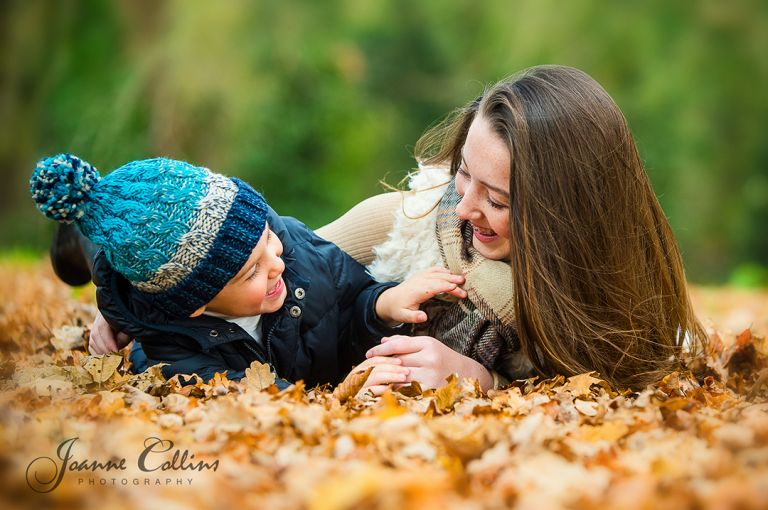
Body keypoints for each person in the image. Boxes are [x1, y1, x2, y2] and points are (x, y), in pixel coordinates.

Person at [80, 64, 707, 392]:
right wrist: (147, 297)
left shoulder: (617, 291)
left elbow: (611, 376)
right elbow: (265, 252)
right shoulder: (412, 221)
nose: (464, 209)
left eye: (498, 199)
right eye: (464, 175)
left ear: (567, 212)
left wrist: (478, 377)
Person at [30, 154, 467, 387]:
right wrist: (344, 395)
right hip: (159, 288)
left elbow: (348, 303)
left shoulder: (293, 248)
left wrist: (383, 304)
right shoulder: (172, 353)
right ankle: (76, 237)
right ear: (199, 304)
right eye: (250, 272)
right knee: (108, 255)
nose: (277, 263)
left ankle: (81, 234)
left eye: (267, 240)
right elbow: (257, 399)